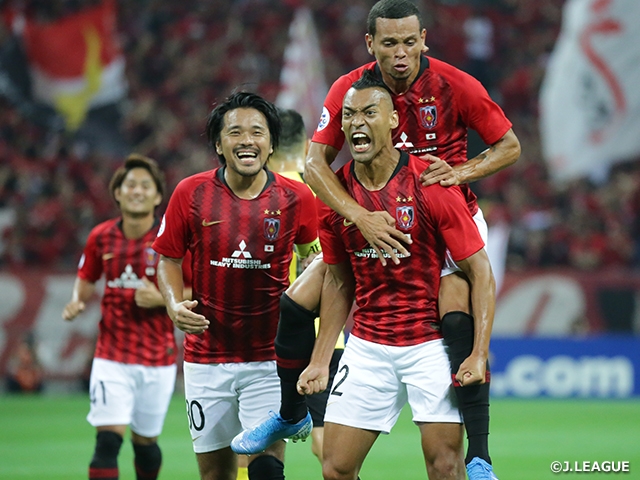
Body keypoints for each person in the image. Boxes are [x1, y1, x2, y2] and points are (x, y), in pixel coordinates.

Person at [235, 2, 519, 479]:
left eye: (410, 42)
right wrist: (360, 218)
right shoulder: (350, 91)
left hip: (447, 219)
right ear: (371, 44)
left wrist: (460, 173)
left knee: (453, 318)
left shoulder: (455, 85)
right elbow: (314, 164)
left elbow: (509, 146)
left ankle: (479, 454)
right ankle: (291, 413)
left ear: (424, 39)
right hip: (370, 215)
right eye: (389, 43)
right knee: (295, 304)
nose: (401, 53)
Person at [301, 70, 496, 480]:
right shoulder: (334, 199)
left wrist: (478, 353)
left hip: (427, 345)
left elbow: (480, 272)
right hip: (368, 344)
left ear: (393, 121)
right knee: (335, 468)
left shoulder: (431, 184)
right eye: (349, 115)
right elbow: (338, 281)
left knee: (445, 466)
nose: (357, 122)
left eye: (369, 112)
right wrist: (320, 360)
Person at [152, 92, 320, 480]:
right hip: (206, 358)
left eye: (258, 132)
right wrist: (174, 305)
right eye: (235, 132)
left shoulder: (297, 198)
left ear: (272, 143)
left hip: (268, 359)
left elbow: (313, 258)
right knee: (216, 475)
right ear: (218, 144)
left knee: (266, 470)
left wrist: (313, 287)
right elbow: (168, 259)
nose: (247, 140)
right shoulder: (190, 193)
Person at [62, 154, 192, 480]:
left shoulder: (171, 240)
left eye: (145, 185)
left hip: (158, 360)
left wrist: (164, 298)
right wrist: (78, 301)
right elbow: (87, 278)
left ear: (158, 196)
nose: (137, 191)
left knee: (145, 443)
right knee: (107, 441)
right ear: (117, 193)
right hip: (111, 357)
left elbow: (195, 291)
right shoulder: (100, 237)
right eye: (129, 184)